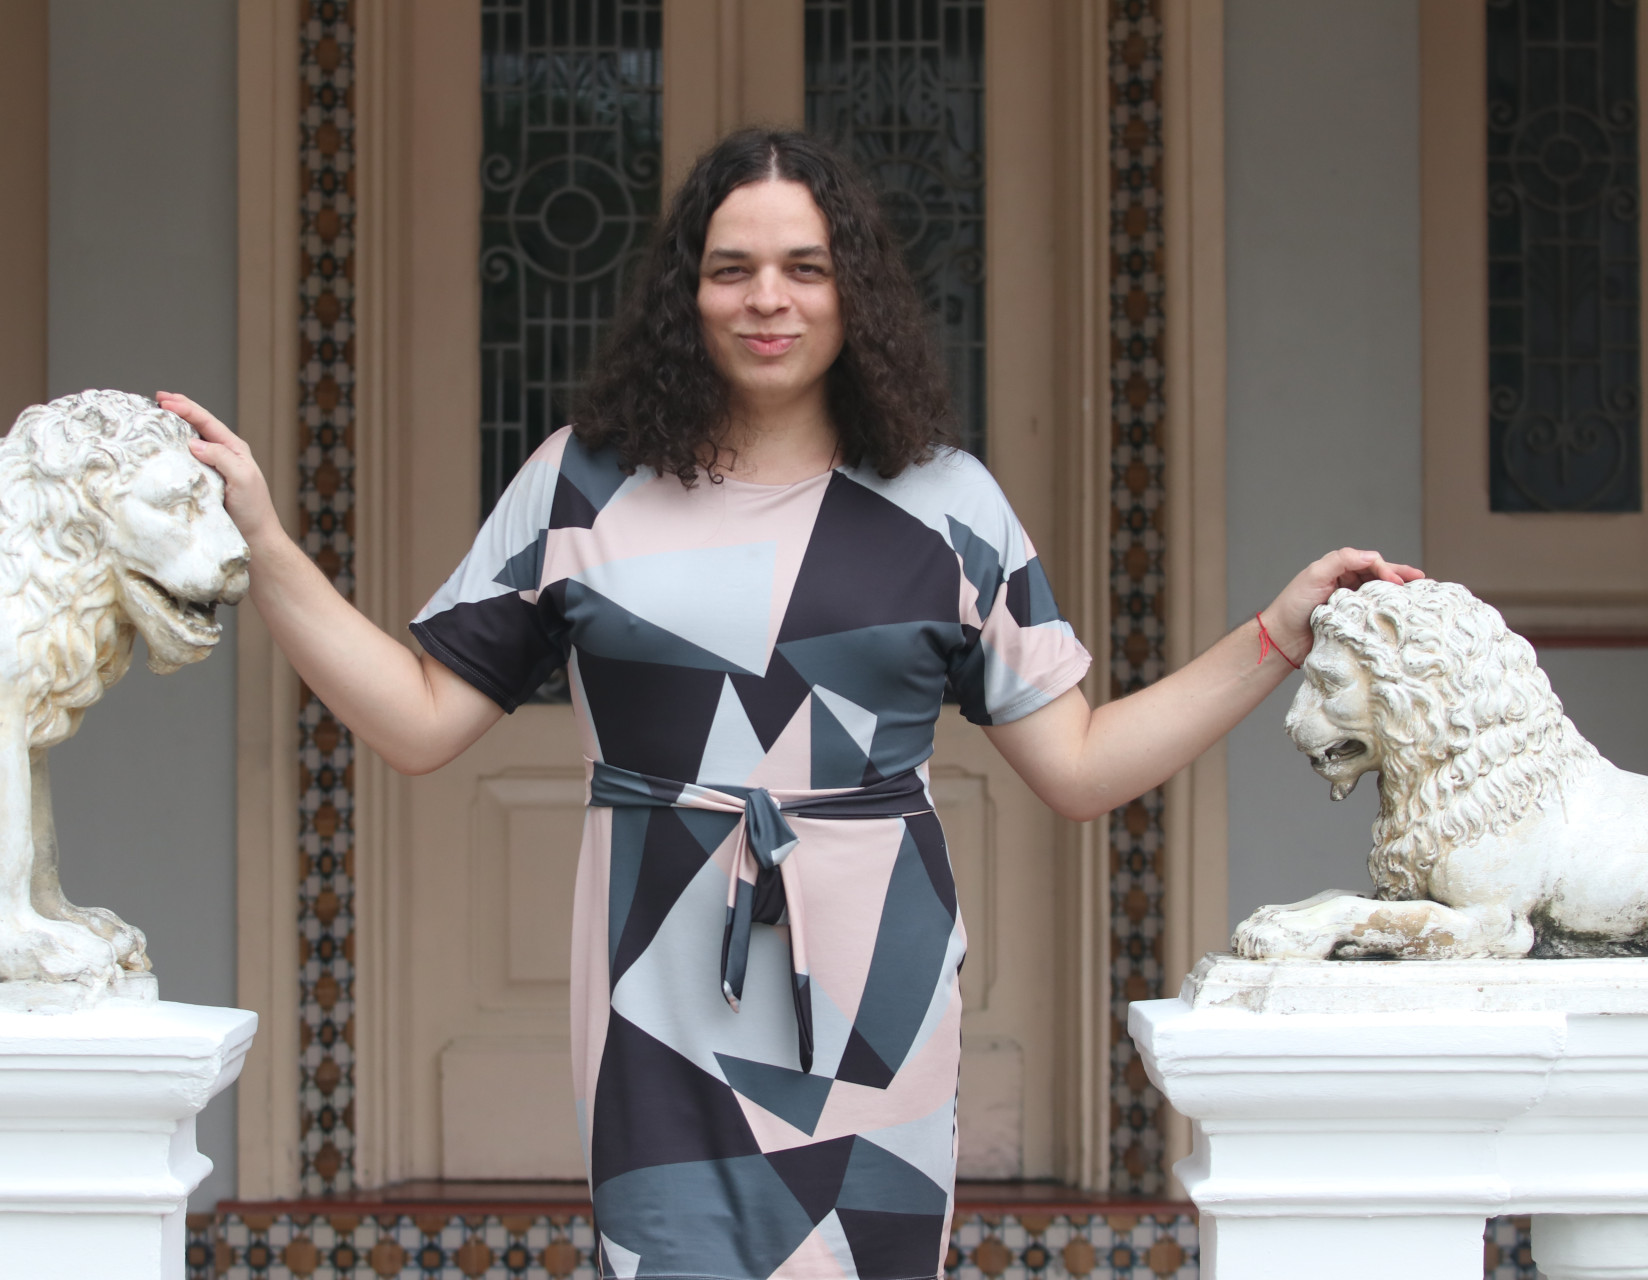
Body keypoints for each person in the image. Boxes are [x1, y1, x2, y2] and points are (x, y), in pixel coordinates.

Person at [162, 129, 1418, 1280]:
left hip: (879, 984)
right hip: (656, 983)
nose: (768, 298)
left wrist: (1272, 636)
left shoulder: (948, 501)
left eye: (806, 267)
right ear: (686, 292)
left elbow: (1080, 763)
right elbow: (422, 716)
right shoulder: (581, 484)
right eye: (732, 268)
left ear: (852, 290)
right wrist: (266, 538)